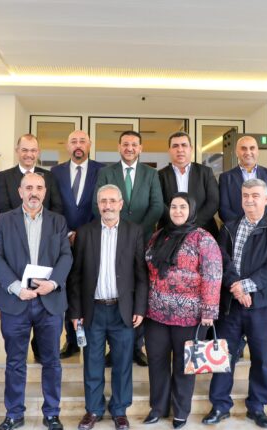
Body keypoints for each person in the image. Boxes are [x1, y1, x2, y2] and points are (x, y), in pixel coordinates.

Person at [204, 179, 267, 429]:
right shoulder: (229, 227)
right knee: (224, 357)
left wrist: (247, 286)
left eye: (255, 195)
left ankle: (257, 407)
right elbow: (221, 260)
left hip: (261, 307)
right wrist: (236, 286)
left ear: (266, 200)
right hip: (231, 306)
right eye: (245, 195)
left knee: (261, 358)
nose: (249, 200)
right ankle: (220, 405)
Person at [0, 173, 73, 430]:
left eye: (38, 187)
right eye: (29, 187)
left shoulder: (58, 221)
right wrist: (16, 288)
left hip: (49, 302)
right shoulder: (5, 220)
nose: (34, 192)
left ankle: (52, 413)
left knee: (52, 361)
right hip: (16, 302)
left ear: (45, 192)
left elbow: (66, 256)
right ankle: (14, 413)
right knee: (15, 362)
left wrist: (53, 283)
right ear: (20, 192)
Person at [67, 184, 148, 430]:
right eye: (103, 201)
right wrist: (76, 312)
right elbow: (75, 276)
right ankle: (93, 410)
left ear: (121, 204)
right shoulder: (85, 232)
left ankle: (120, 410)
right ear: (98, 205)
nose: (108, 206)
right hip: (92, 311)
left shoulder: (134, 232)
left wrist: (140, 308)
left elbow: (141, 274)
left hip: (123, 311)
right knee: (92, 363)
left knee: (123, 364)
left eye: (113, 201)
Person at [142, 193, 221, 429]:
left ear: (191, 210)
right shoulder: (158, 236)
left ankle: (180, 411)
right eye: (174, 207)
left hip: (190, 316)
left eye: (183, 207)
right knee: (156, 362)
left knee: (184, 366)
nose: (177, 211)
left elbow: (213, 275)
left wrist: (209, 311)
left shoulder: (202, 238)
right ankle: (158, 408)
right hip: (156, 314)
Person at [95, 130, 164, 366]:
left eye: (134, 144)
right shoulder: (106, 172)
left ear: (140, 148)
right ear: (119, 147)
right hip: (112, 239)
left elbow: (157, 206)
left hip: (143, 240)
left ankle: (137, 346)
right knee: (117, 289)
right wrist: (121, 230)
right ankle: (113, 348)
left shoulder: (151, 174)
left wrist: (135, 232)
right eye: (125, 144)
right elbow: (98, 204)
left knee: (139, 290)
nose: (130, 148)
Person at [51, 130, 105, 359]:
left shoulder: (102, 170)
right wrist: (67, 232)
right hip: (62, 239)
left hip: (93, 238)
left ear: (90, 145)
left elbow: (101, 204)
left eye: (82, 141)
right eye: (73, 141)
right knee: (66, 287)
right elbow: (53, 205)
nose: (78, 145)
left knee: (91, 285)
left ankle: (93, 337)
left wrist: (82, 233)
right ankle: (71, 340)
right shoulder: (55, 172)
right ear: (67, 146)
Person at [158, 131, 219, 237]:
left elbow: (214, 201)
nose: (180, 149)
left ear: (191, 148)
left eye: (184, 145)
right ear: (169, 150)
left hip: (202, 230)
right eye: (175, 146)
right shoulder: (160, 175)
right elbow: (159, 202)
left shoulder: (205, 172)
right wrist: (177, 222)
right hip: (169, 231)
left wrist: (192, 224)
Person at [219, 135, 267, 223]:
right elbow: (224, 209)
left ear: (257, 151)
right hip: (238, 229)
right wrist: (244, 225)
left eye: (252, 148)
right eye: (243, 148)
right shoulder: (225, 178)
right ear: (236, 152)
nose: (248, 152)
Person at [0, 133, 63, 215]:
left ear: (38, 152)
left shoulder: (49, 177)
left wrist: (39, 222)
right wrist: (24, 222)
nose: (29, 155)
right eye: (24, 150)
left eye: (33, 150)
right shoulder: (4, 177)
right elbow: (3, 210)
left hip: (45, 223)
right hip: (13, 223)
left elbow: (57, 207)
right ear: (17, 151)